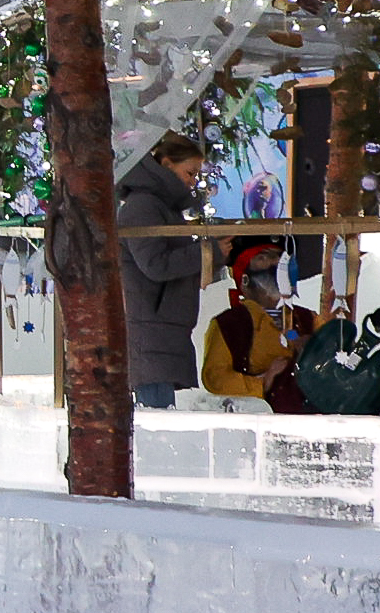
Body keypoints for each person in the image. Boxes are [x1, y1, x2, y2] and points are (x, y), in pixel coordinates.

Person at [118, 132, 211, 409]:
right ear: (168, 164)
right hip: (150, 328)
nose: (192, 181)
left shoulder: (159, 206)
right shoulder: (144, 205)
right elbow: (156, 265)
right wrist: (207, 253)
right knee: (155, 416)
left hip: (159, 327)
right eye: (190, 173)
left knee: (158, 411)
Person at [201, 238, 315, 410]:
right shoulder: (230, 324)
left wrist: (311, 349)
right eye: (263, 258)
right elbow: (216, 377)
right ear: (245, 279)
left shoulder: (305, 317)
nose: (275, 262)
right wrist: (263, 382)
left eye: (279, 257)